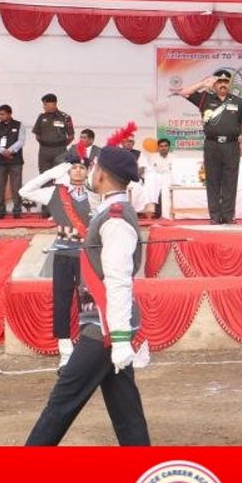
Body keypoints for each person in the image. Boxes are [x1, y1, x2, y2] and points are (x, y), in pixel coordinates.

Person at [25, 146, 151, 446]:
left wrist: (119, 340)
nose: (90, 171)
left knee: (61, 402)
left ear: (103, 175)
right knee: (126, 409)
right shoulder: (108, 209)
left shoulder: (116, 218)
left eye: (93, 167)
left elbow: (119, 281)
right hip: (106, 322)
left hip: (104, 327)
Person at [20, 149, 95, 369]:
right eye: (74, 167)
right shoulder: (55, 192)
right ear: (68, 170)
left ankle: (86, 347)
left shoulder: (95, 194)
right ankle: (65, 350)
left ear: (88, 170)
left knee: (87, 302)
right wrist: (53, 172)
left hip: (87, 256)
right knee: (62, 302)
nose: (78, 171)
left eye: (82, 167)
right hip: (63, 254)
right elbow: (24, 190)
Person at [175, 72, 242, 224]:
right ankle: (215, 216)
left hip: (231, 145)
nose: (223, 84)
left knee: (230, 181)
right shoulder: (205, 98)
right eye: (219, 81)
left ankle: (228, 216)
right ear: (215, 84)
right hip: (212, 145)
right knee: (212, 180)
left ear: (230, 84)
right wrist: (203, 84)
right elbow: (183, 92)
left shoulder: (238, 101)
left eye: (226, 81)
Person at [0, 104, 25, 218]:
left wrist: (10, 150)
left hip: (16, 161)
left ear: (10, 114)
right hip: (0, 161)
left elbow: (21, 141)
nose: (0, 116)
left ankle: (17, 210)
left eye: (3, 114)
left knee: (16, 186)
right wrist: (2, 151)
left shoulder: (19, 125)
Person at [30, 93, 75, 175]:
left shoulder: (65, 117)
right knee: (44, 175)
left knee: (60, 174)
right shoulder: (42, 117)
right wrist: (46, 143)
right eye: (44, 104)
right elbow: (37, 135)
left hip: (60, 150)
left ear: (54, 104)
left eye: (45, 104)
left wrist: (60, 145)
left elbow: (71, 136)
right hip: (44, 150)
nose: (44, 106)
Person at [135, 138, 174, 218]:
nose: (163, 148)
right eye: (161, 146)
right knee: (150, 186)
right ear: (158, 148)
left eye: (165, 146)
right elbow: (149, 171)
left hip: (170, 178)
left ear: (169, 147)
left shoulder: (174, 157)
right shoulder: (153, 157)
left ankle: (169, 214)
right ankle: (152, 213)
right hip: (157, 179)